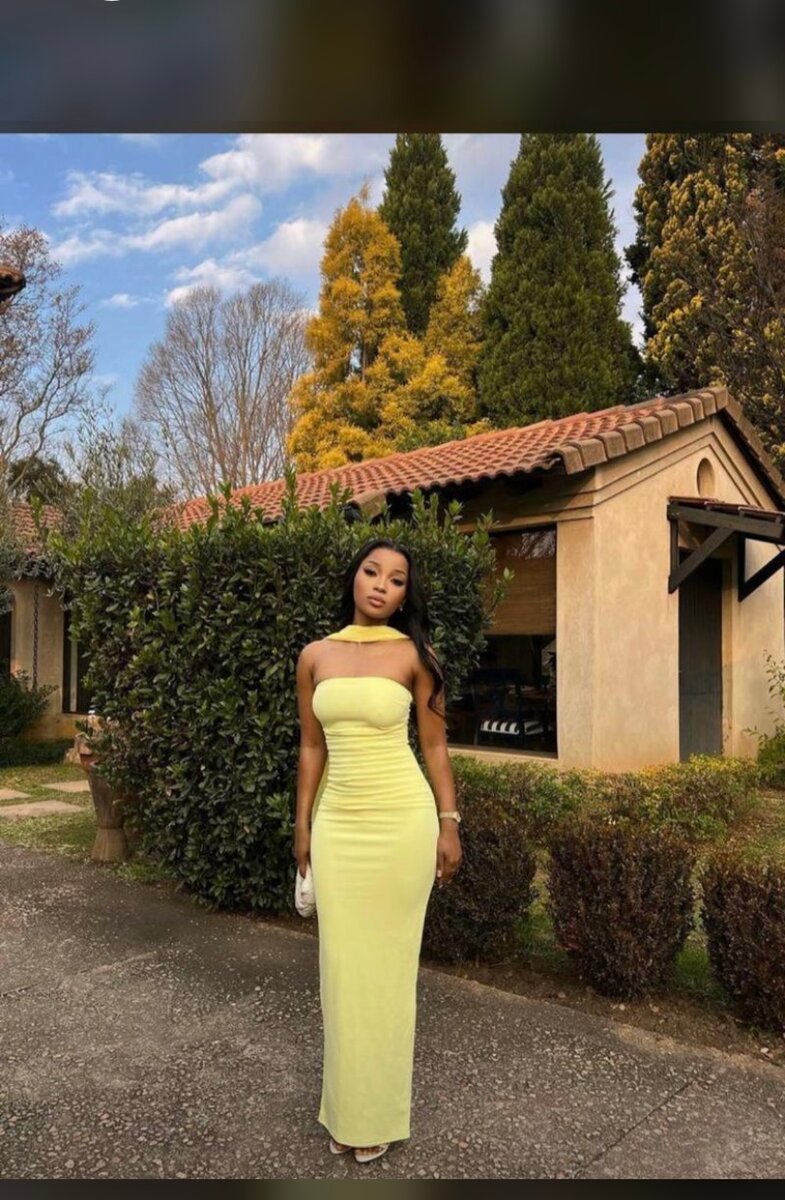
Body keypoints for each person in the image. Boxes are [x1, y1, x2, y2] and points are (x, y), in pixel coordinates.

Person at [293, 536, 463, 1165]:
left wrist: (449, 822)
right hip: (338, 826)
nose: (380, 586)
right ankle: (347, 1109)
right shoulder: (314, 656)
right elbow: (312, 746)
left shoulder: (417, 656)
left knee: (389, 975)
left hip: (401, 825)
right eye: (372, 572)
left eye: (396, 580)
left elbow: (435, 746)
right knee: (341, 973)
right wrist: (302, 825)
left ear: (404, 596)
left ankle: (378, 1114)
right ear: (354, 577)